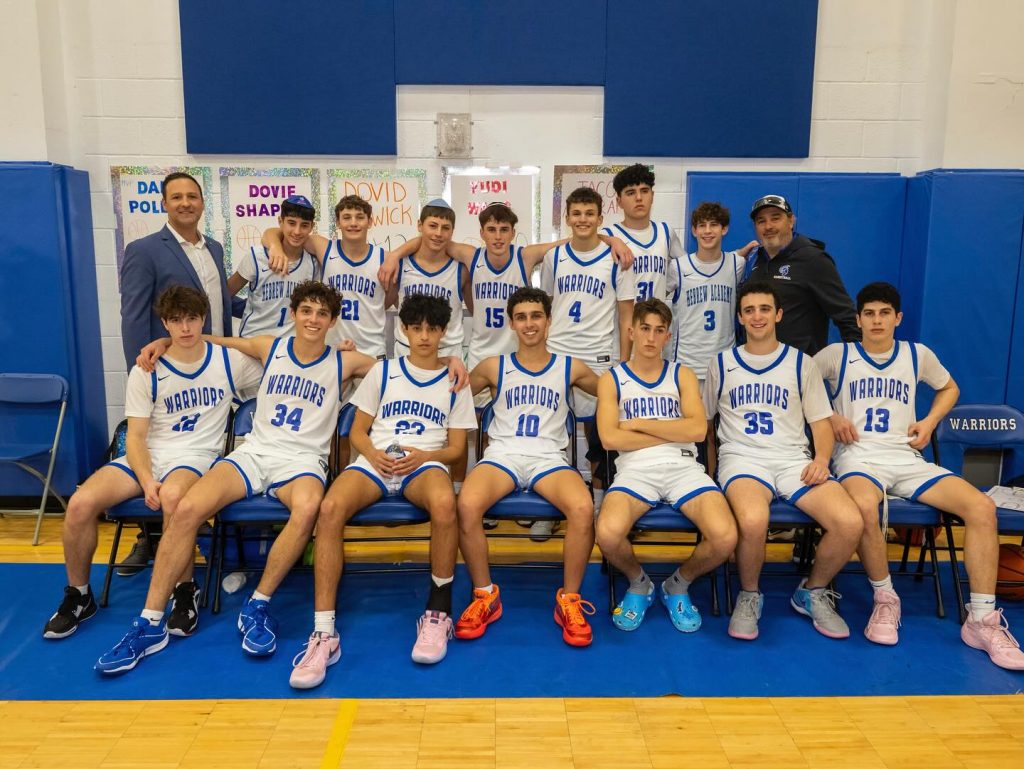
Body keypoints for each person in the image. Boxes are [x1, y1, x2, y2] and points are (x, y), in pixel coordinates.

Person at [95, 282, 377, 673]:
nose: (313, 319)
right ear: (294, 314)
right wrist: (164, 340)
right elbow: (208, 338)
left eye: (322, 313)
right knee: (188, 507)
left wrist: (451, 363)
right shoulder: (269, 346)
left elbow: (403, 369)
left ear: (332, 321)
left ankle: (258, 603)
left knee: (310, 506)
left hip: (301, 461)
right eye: (306, 311)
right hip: (255, 451)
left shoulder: (346, 362)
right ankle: (150, 622)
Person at [816, 281, 1024, 669]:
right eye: (869, 314)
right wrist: (831, 415)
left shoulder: (917, 355)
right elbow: (799, 385)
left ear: (898, 318)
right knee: (863, 504)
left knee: (981, 507)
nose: (876, 321)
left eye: (884, 313)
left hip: (908, 458)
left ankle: (981, 619)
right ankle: (884, 599)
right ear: (858, 319)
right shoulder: (836, 355)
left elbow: (949, 388)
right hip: (858, 458)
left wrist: (929, 421)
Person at [43, 287, 260, 640]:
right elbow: (138, 437)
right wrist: (146, 481)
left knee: (174, 497)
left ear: (203, 319)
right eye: (176, 321)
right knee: (81, 503)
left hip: (195, 456)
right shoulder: (147, 368)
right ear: (164, 323)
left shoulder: (227, 361)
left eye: (192, 319)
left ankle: (185, 591)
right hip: (149, 455)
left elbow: (277, 356)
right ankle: (79, 596)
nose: (185, 328)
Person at [289, 294, 476, 688]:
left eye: (432, 328)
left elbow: (458, 450)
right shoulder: (383, 372)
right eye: (417, 328)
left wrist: (425, 453)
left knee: (446, 503)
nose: (424, 336)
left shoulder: (456, 380)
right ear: (404, 330)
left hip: (423, 462)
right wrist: (371, 452)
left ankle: (437, 614)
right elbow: (358, 429)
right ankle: (324, 633)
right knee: (329, 508)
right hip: (377, 459)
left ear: (443, 332)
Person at [703, 281, 863, 641]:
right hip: (742, 459)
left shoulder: (801, 364)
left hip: (793, 460)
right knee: (753, 518)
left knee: (850, 521)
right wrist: (712, 471)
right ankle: (749, 594)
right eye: (749, 310)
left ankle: (813, 591)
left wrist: (823, 458)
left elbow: (820, 422)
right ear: (741, 318)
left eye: (763, 309)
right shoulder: (723, 364)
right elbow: (707, 427)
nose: (757, 316)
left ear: (777, 314)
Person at [453, 287, 602, 647]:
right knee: (467, 504)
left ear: (549, 321)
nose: (529, 324)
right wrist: (452, 363)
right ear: (512, 323)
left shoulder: (570, 367)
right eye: (521, 317)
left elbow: (615, 390)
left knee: (583, 508)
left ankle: (568, 599)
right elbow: (448, 391)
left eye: (536, 316)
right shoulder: (494, 366)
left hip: (548, 457)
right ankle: (485, 594)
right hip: (503, 455)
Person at [595, 299, 737, 632]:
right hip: (635, 471)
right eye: (644, 328)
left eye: (659, 331)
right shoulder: (612, 379)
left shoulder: (682, 374)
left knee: (725, 536)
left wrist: (638, 424)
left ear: (668, 336)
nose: (650, 337)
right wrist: (669, 431)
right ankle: (639, 583)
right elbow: (610, 439)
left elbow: (698, 430)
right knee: (607, 532)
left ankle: (678, 583)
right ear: (631, 331)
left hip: (684, 468)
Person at [117, 171, 234, 576]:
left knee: (193, 457)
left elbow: (216, 308)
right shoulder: (144, 249)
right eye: (176, 197)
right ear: (164, 203)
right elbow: (134, 316)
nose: (185, 203)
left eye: (192, 196)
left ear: (202, 202)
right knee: (154, 454)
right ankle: (148, 539)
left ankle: (185, 531)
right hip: (167, 371)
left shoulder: (214, 248)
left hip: (212, 367)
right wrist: (145, 369)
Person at [541, 187, 636, 522]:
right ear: (567, 218)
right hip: (558, 353)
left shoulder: (618, 259)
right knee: (553, 431)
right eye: (576, 213)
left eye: (589, 213)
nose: (583, 219)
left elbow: (627, 315)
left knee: (601, 435)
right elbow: (548, 306)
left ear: (600, 218)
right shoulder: (555, 257)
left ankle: (599, 501)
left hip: (598, 355)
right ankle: (552, 505)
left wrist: (625, 363)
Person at [745, 194, 859, 355]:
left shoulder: (813, 259)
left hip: (800, 370)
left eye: (775, 218)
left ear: (791, 221)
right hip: (757, 366)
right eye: (761, 221)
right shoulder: (753, 259)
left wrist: (857, 364)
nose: (768, 226)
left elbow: (846, 317)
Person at [671, 201, 756, 391]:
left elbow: (733, 258)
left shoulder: (736, 264)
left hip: (724, 361)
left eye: (714, 225)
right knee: (692, 420)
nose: (707, 231)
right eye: (702, 225)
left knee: (721, 420)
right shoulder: (678, 267)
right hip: (687, 362)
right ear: (694, 230)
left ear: (724, 229)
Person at [230, 195, 318, 337]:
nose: (297, 231)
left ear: (311, 227)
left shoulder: (313, 264)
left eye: (304, 225)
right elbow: (226, 294)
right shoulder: (257, 256)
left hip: (289, 347)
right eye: (291, 223)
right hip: (253, 342)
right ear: (280, 221)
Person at [605, 163, 684, 304]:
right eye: (630, 193)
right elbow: (578, 242)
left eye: (644, 191)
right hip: (623, 323)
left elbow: (688, 267)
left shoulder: (665, 232)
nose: (639, 198)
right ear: (619, 201)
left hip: (656, 323)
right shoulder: (609, 234)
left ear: (652, 196)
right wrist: (611, 240)